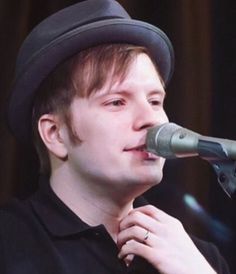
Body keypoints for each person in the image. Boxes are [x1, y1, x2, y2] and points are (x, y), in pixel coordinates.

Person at [2, 0, 230, 273]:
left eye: (155, 101)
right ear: (55, 134)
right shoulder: (10, 243)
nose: (152, 119)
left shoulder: (197, 256)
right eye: (117, 102)